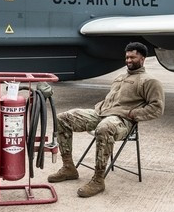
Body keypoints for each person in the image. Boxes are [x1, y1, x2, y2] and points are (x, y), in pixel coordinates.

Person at [47, 42, 165, 197]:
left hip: (122, 121)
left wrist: (133, 114)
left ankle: (98, 180)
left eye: (133, 57)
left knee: (104, 128)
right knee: (63, 118)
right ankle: (69, 168)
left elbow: (157, 108)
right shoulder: (120, 77)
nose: (128, 60)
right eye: (127, 57)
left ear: (142, 59)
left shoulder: (149, 81)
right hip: (101, 114)